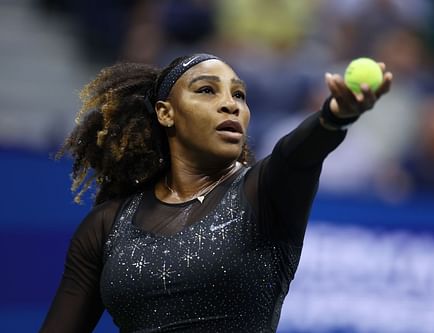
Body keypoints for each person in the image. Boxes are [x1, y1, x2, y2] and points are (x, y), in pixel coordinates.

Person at [40, 53, 392, 332]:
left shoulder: (263, 192)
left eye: (239, 94)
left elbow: (295, 155)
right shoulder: (106, 225)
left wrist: (332, 117)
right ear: (166, 113)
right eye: (207, 90)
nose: (231, 104)